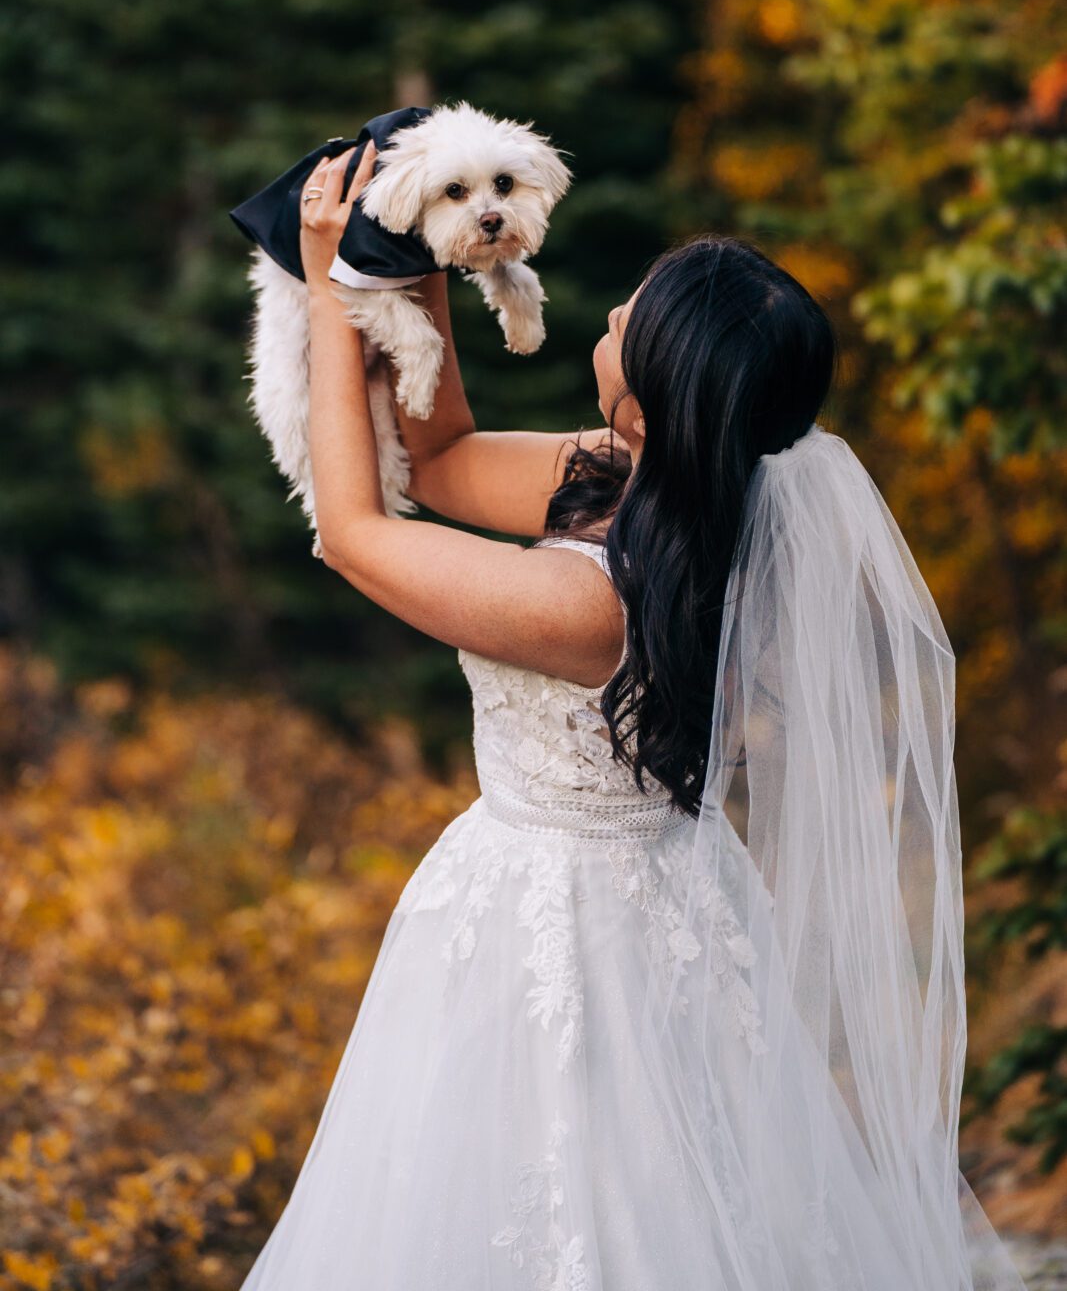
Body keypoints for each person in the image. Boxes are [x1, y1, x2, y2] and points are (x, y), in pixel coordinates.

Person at [239, 143, 1026, 1290]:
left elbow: (355, 533)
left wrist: (325, 284)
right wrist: (409, 263)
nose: (608, 311)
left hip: (561, 921)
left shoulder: (583, 604)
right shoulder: (669, 485)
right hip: (655, 891)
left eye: (628, 318)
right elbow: (443, 458)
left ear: (654, 396)